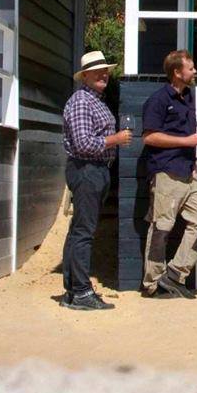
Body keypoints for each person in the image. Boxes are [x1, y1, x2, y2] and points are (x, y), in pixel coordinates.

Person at [58, 49, 131, 312]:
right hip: (87, 168)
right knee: (84, 232)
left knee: (79, 230)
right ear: (85, 76)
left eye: (106, 70)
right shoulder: (81, 101)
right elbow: (83, 143)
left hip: (95, 169)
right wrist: (116, 139)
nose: (104, 75)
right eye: (98, 71)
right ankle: (80, 291)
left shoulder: (94, 100)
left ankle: (74, 289)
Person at [136, 50, 197, 299]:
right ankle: (152, 284)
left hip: (190, 173)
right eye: (190, 68)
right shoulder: (158, 100)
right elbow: (149, 137)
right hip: (166, 172)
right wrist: (187, 140)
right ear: (177, 72)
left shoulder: (188, 96)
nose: (195, 72)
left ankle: (174, 275)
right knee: (162, 228)